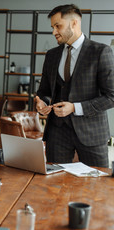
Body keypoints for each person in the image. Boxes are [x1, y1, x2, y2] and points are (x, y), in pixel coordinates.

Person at [35, 4, 114, 167]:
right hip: (57, 133)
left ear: (74, 24)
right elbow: (44, 91)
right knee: (54, 185)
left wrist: (75, 107)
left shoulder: (100, 52)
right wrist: (41, 101)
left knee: (95, 186)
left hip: (91, 133)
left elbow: (111, 96)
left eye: (58, 26)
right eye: (53, 27)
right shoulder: (51, 55)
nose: (54, 32)